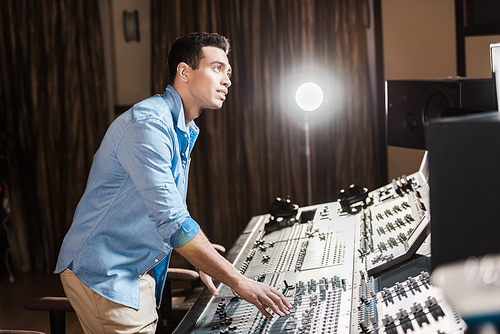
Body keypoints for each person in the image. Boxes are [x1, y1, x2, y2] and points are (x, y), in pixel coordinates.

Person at [54, 32, 291, 333]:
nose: (227, 80)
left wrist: (204, 261)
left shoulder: (182, 127)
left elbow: (171, 207)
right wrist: (237, 280)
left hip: (133, 268)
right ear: (184, 72)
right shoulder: (149, 124)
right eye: (217, 68)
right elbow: (174, 222)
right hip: (106, 271)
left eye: (229, 72)